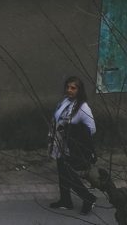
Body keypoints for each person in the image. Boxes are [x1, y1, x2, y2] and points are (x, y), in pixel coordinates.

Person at [49, 75, 98, 214]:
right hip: (60, 143)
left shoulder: (83, 107)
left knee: (69, 174)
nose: (69, 90)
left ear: (79, 90)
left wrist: (75, 133)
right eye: (68, 87)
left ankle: (88, 198)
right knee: (62, 173)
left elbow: (92, 129)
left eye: (73, 88)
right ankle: (65, 200)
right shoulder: (66, 101)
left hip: (71, 146)